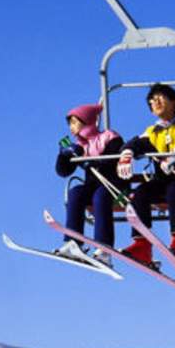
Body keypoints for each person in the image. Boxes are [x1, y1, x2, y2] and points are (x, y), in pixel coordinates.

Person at [117, 83, 175, 268]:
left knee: (174, 191)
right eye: (152, 101)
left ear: (173, 101)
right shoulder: (153, 131)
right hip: (164, 181)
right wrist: (127, 154)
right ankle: (142, 245)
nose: (156, 102)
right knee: (140, 193)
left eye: (160, 97)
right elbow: (135, 144)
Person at [54, 103, 125, 265]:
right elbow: (63, 172)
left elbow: (115, 158)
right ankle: (73, 242)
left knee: (100, 197)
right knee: (76, 193)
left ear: (86, 120)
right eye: (69, 124)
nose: (71, 127)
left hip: (113, 183)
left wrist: (93, 162)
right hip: (93, 185)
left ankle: (104, 248)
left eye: (74, 122)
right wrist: (63, 155)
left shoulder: (109, 136)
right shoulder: (80, 145)